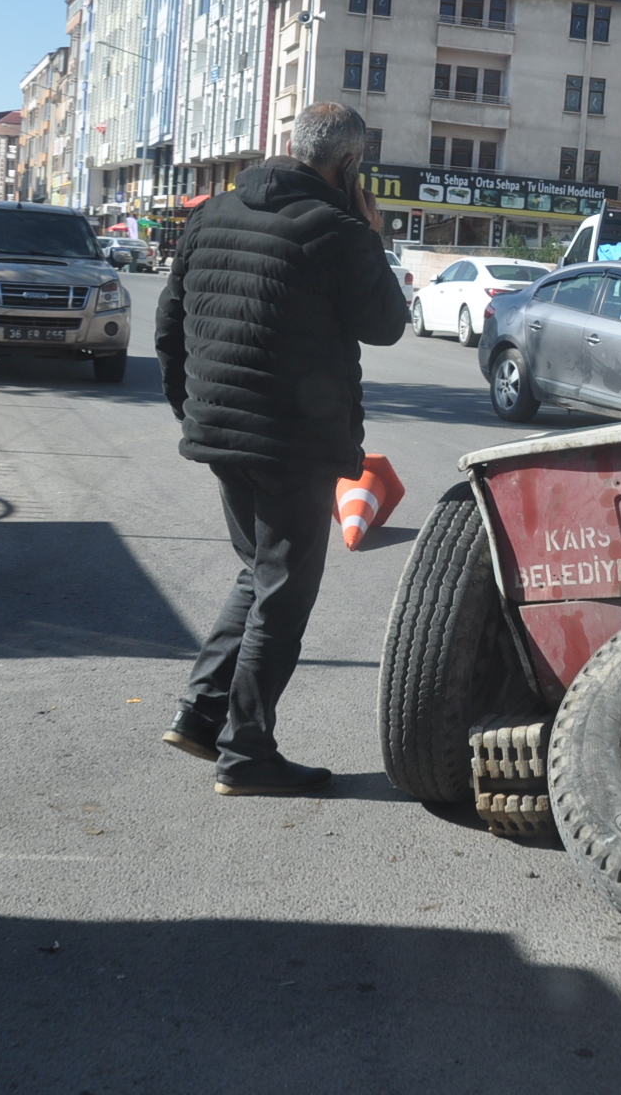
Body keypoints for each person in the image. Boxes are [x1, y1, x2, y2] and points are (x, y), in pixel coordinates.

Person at [153, 103, 410, 795]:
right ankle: (247, 753)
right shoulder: (336, 230)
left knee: (258, 574)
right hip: (293, 442)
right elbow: (387, 323)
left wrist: (198, 414)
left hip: (219, 431)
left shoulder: (210, 215)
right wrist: (370, 234)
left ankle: (202, 714)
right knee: (284, 595)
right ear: (349, 164)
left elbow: (169, 328)